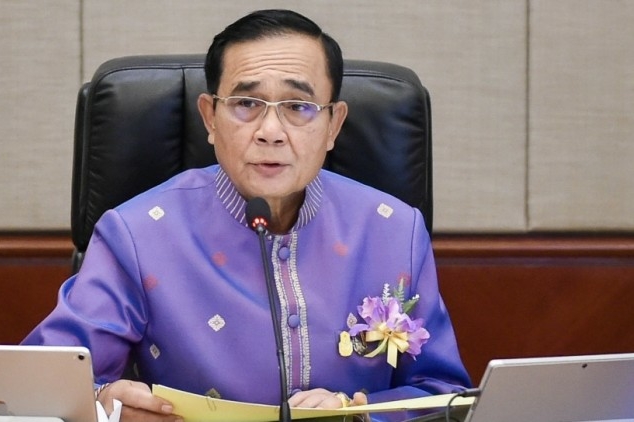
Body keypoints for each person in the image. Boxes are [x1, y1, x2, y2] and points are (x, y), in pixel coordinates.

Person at [23, 8, 471, 422]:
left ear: (333, 125)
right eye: (246, 104)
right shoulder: (137, 233)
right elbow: (36, 388)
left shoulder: (394, 230)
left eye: (298, 107)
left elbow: (446, 396)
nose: (270, 132)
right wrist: (104, 405)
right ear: (210, 117)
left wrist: (360, 414)